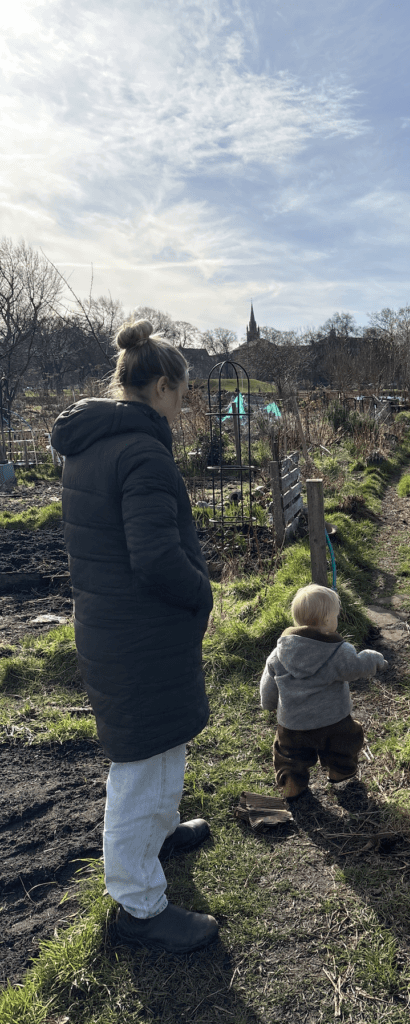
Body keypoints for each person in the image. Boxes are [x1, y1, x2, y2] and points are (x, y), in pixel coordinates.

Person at [51, 319, 218, 953]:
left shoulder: (91, 442)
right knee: (142, 761)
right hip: (139, 631)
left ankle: (161, 833)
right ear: (162, 387)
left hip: (115, 624)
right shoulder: (141, 450)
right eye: (182, 394)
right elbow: (155, 557)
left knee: (156, 743)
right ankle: (139, 907)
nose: (183, 407)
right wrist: (202, 592)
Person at [260, 584, 387, 799]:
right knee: (344, 742)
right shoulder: (338, 651)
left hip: (293, 723)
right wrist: (375, 660)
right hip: (333, 720)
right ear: (328, 621)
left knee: (290, 754)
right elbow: (356, 666)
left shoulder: (279, 654)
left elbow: (268, 684)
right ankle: (340, 771)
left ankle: (292, 781)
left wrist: (269, 704)